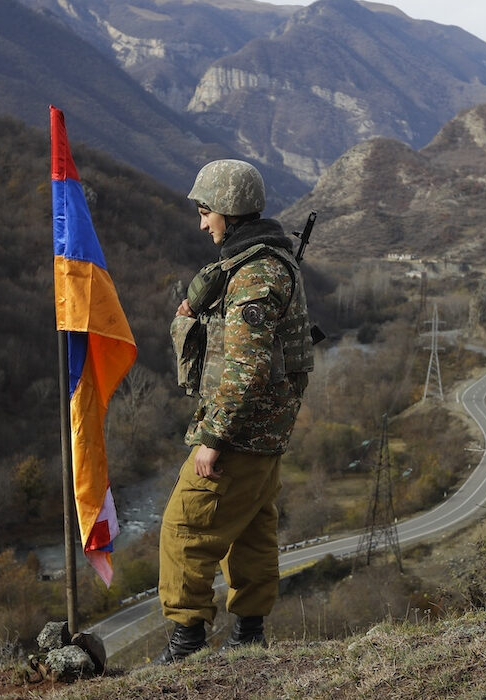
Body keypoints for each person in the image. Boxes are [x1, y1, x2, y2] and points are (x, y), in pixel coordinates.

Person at [155, 159, 314, 663]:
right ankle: (248, 638)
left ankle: (186, 646)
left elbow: (245, 365)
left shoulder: (255, 275)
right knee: (250, 532)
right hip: (263, 436)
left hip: (239, 436)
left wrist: (214, 438)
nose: (203, 223)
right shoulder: (263, 264)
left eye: (206, 212)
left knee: (184, 531)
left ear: (228, 211)